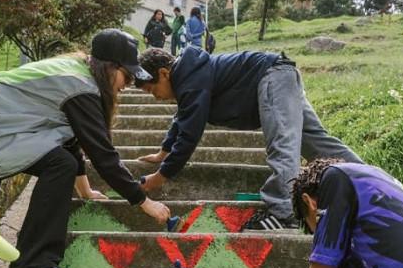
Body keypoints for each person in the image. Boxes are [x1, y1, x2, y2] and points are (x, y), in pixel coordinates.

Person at [0, 29, 171, 268]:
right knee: (59, 165)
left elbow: (69, 139)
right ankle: (32, 264)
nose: (126, 85)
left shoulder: (78, 72)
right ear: (110, 67)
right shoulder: (82, 88)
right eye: (126, 76)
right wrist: (144, 202)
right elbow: (103, 156)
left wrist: (84, 191)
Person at [135, 48, 362, 232]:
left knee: (282, 144)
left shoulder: (189, 76)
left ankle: (282, 213)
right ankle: (368, 180)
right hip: (279, 74)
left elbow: (189, 134)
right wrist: (163, 153)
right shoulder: (191, 75)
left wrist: (160, 177)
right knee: (316, 142)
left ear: (165, 73)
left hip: (272, 77)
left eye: (151, 88)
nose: (154, 96)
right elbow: (183, 119)